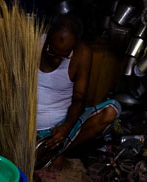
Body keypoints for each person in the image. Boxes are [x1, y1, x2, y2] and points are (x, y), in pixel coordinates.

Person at [36, 14, 121, 169]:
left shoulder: (82, 53)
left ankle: (53, 152)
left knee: (111, 111)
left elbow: (79, 99)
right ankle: (47, 154)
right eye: (52, 52)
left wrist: (65, 128)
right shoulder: (32, 43)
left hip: (61, 129)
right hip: (29, 130)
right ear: (47, 37)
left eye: (63, 56)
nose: (56, 60)